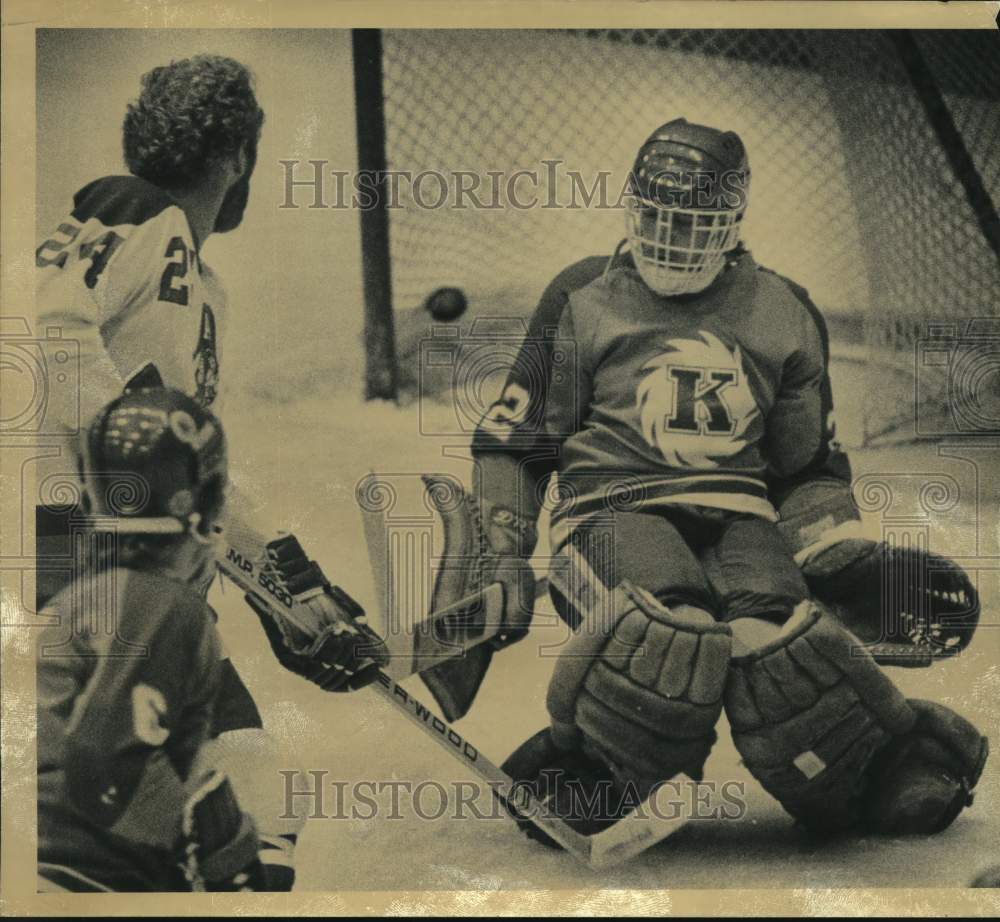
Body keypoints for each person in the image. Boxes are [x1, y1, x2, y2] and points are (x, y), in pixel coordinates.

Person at [450, 119, 987, 845]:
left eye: (693, 224)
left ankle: (870, 768)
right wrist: (501, 546)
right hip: (608, 513)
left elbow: (805, 468)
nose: (670, 239)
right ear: (630, 208)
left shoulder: (783, 307)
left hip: (742, 519)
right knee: (668, 634)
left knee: (780, 645)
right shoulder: (582, 293)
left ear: (733, 223)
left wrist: (832, 548)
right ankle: (603, 770)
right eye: (656, 217)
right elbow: (517, 441)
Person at [34, 54, 378, 890]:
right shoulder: (132, 209)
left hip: (128, 575)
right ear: (238, 160)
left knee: (258, 786)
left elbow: (193, 474)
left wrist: (287, 583)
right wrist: (141, 446)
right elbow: (35, 332)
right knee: (194, 808)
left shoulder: (197, 282)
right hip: (69, 551)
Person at [37, 388, 267, 892]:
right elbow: (103, 764)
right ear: (199, 505)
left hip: (46, 859)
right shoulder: (162, 607)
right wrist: (221, 848)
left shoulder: (86, 589)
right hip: (78, 874)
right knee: (262, 786)